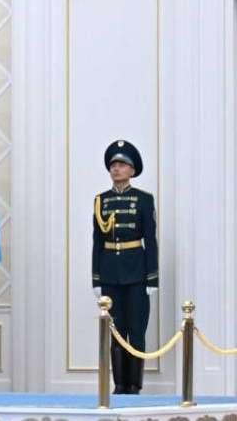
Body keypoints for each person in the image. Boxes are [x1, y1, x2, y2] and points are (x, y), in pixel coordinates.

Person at [92, 140, 158, 395]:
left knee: (136, 331)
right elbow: (97, 242)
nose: (116, 169)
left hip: (137, 274)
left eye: (121, 165)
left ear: (132, 170)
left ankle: (135, 386)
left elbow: (150, 241)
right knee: (115, 332)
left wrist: (152, 278)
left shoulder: (143, 199)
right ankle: (120, 385)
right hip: (110, 274)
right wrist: (96, 279)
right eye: (113, 165)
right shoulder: (101, 201)